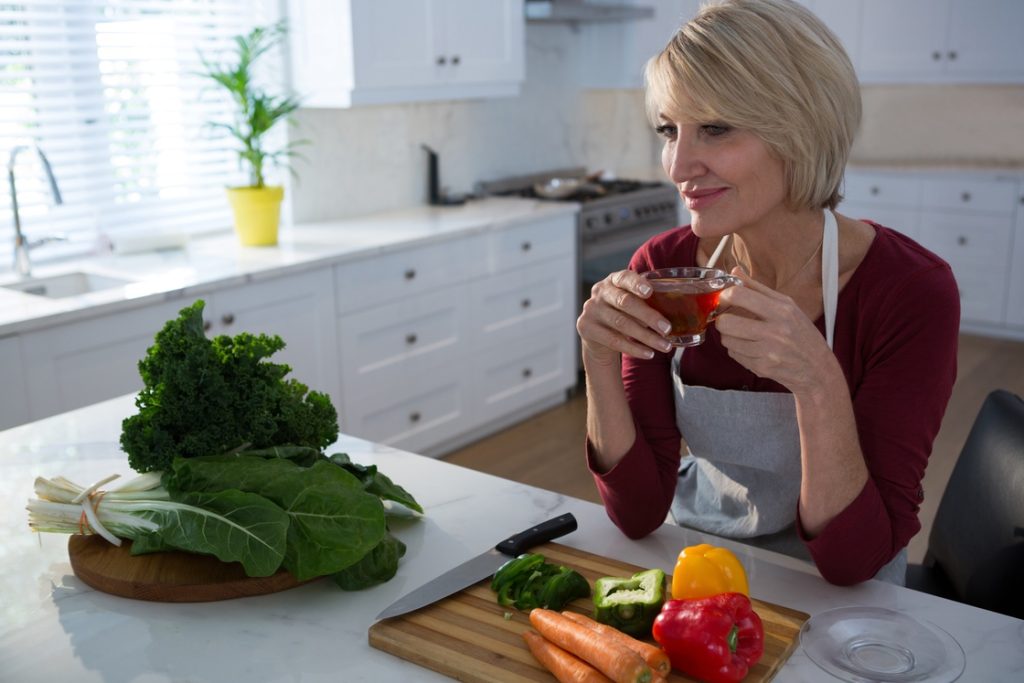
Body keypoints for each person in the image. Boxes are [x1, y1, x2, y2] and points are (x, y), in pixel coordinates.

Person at [576, 0, 960, 586]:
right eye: (668, 131)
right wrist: (599, 358)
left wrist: (817, 380)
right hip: (700, 563)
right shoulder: (666, 268)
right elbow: (637, 513)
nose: (678, 165)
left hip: (839, 598)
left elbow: (853, 562)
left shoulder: (910, 292)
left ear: (799, 128)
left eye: (716, 128)